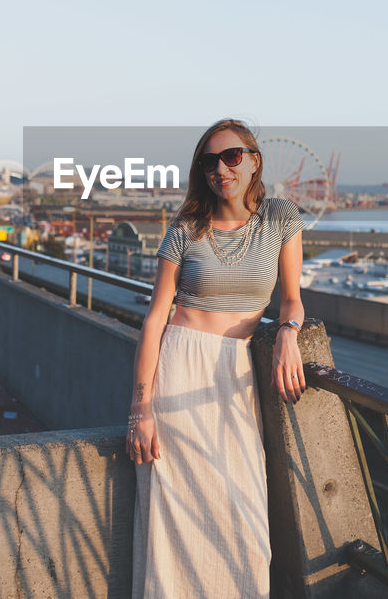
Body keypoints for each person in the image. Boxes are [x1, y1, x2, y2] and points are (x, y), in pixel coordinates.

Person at [129, 118, 307, 598]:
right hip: (179, 368)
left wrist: (289, 333)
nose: (220, 169)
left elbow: (291, 300)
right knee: (174, 527)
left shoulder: (281, 217)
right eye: (210, 161)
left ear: (254, 162)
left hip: (234, 375)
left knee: (244, 527)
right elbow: (154, 320)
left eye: (231, 157)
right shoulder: (186, 227)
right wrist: (141, 409)